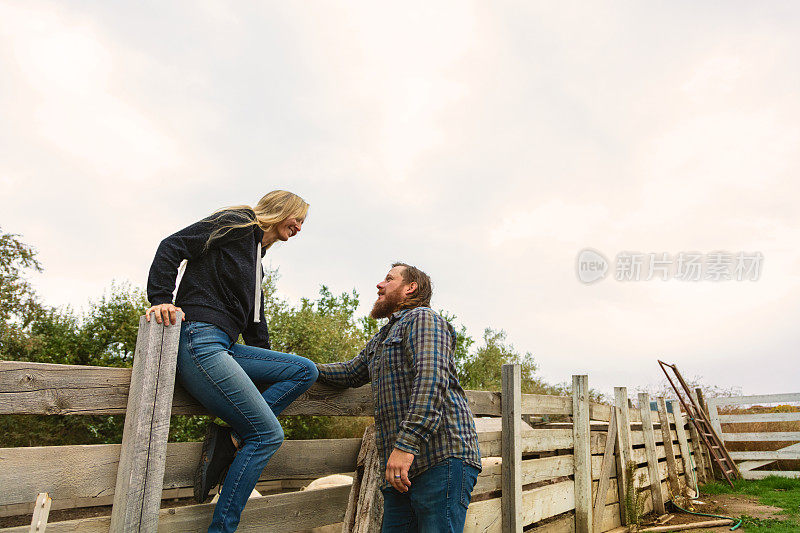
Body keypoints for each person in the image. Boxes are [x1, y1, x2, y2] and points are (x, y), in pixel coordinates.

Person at [145, 190, 318, 533]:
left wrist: (266, 359)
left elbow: (256, 322)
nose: (299, 227)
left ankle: (234, 438)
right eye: (297, 218)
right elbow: (172, 246)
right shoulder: (236, 223)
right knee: (267, 435)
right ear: (280, 210)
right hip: (199, 338)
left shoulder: (257, 259)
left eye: (303, 223)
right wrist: (161, 299)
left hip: (226, 344)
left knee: (304, 369)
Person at [316, 263, 481, 533]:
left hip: (439, 459)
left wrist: (405, 446)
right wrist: (300, 368)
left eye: (388, 279)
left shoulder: (424, 320)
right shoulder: (383, 337)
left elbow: (431, 379)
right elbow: (348, 373)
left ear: (410, 287)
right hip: (401, 470)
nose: (379, 285)